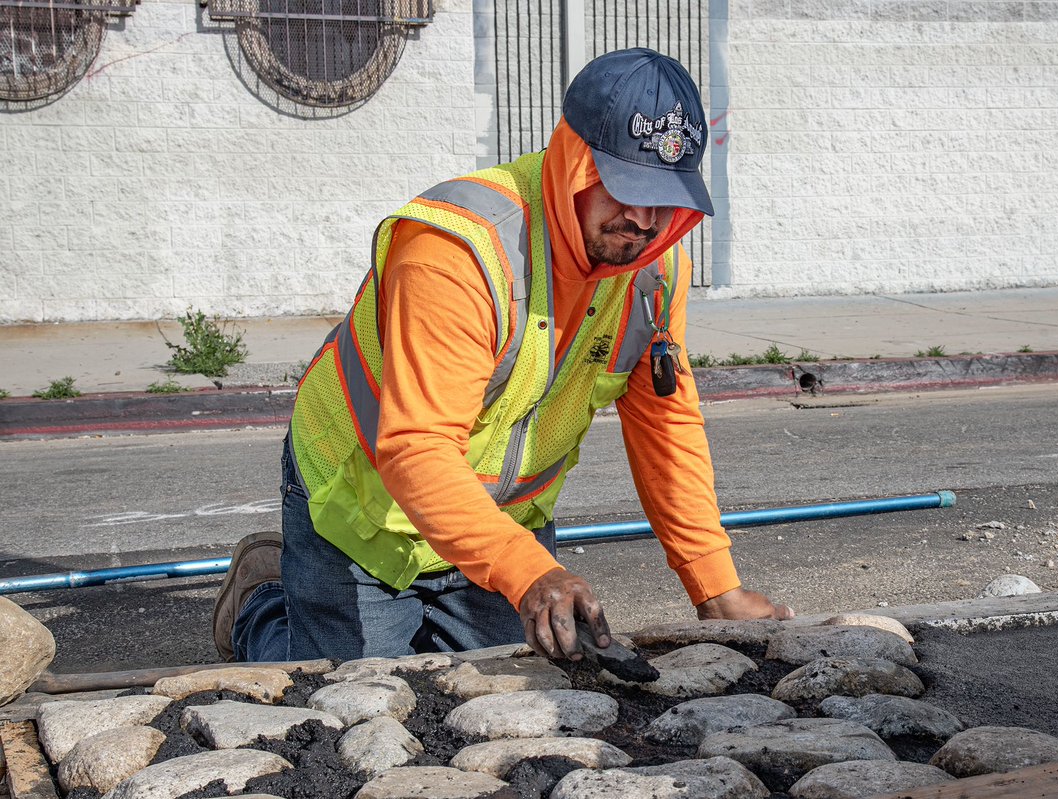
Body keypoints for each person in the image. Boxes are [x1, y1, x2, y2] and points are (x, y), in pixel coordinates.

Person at [212, 47, 793, 665]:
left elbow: (664, 425)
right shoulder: (459, 252)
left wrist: (715, 588)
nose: (643, 220)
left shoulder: (654, 272)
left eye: (664, 197)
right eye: (623, 189)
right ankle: (263, 604)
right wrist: (526, 572)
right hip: (362, 506)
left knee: (501, 686)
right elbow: (417, 448)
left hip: (495, 518)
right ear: (574, 162)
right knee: (349, 693)